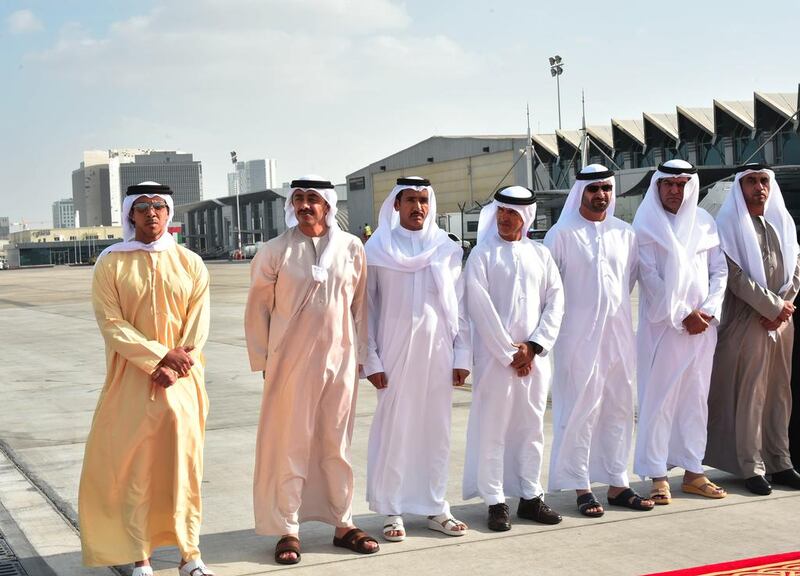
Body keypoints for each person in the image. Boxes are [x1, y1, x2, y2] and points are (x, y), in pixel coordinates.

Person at [79, 182, 214, 576]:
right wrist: (158, 356)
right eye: (142, 207)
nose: (151, 213)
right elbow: (111, 323)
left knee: (184, 468)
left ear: (169, 213)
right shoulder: (111, 263)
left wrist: (176, 363)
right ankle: (142, 558)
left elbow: (198, 323)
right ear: (130, 215)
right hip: (131, 382)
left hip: (184, 383)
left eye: (158, 206)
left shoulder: (190, 262)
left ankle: (190, 554)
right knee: (135, 470)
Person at [244, 176, 377, 565]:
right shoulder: (274, 251)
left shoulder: (352, 248)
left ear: (328, 205)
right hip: (289, 363)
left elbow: (362, 307)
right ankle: (288, 528)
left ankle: (343, 522)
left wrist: (364, 358)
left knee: (336, 443)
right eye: (298, 199)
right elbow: (257, 310)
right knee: (291, 443)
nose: (305, 205)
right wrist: (264, 362)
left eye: (313, 199)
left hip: (340, 360)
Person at [364, 177, 470, 542]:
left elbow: (460, 307)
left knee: (435, 431)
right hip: (392, 356)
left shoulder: (445, 249)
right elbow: (367, 311)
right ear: (396, 204)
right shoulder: (377, 249)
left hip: (438, 354)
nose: (418, 208)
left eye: (423, 200)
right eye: (410, 200)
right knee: (396, 430)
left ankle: (435, 506)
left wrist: (462, 354)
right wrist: (371, 360)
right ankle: (392, 510)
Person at [545, 165, 654, 517]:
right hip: (576, 339)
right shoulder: (561, 234)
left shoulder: (625, 233)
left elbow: (630, 279)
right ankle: (582, 487)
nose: (601, 195)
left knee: (619, 408)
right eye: (593, 189)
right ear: (580, 192)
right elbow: (549, 290)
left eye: (606, 188)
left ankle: (619, 484)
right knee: (580, 409)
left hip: (619, 335)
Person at [462, 185, 564, 531]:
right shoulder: (481, 255)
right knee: (494, 429)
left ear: (526, 217)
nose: (506, 218)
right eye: (502, 212)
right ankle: (496, 502)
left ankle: (531, 498)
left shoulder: (540, 254)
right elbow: (480, 307)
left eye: (513, 213)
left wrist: (533, 346)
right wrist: (510, 352)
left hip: (535, 360)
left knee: (532, 427)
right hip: (495, 362)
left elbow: (555, 301)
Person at [632, 159, 728, 504]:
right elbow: (650, 278)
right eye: (668, 184)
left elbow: (719, 271)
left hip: (703, 329)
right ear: (657, 186)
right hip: (663, 330)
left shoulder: (704, 222)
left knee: (695, 401)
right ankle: (658, 475)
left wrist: (708, 311)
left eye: (682, 183)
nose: (675, 190)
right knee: (659, 403)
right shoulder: (645, 224)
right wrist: (682, 314)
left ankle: (693, 472)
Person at [705, 164, 800, 494]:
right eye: (750, 181)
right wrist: (773, 308)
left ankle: (780, 461)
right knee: (751, 395)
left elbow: (795, 269)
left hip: (782, 323)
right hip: (747, 322)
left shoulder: (781, 222)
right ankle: (751, 466)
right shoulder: (727, 225)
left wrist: (784, 308)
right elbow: (734, 276)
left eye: (763, 181)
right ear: (739, 187)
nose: (758, 187)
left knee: (779, 393)